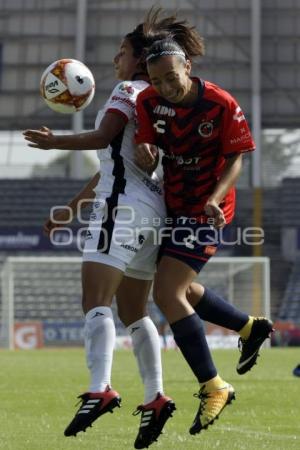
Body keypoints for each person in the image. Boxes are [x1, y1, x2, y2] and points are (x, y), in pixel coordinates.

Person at [24, 22, 177, 449]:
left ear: (140, 59)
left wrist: (56, 143)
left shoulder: (128, 91)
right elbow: (113, 158)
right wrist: (71, 207)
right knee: (135, 312)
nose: (115, 60)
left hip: (122, 206)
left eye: (121, 52)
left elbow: (103, 137)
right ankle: (156, 397)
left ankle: (100, 386)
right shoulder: (160, 100)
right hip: (153, 212)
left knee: (95, 302)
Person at [134, 11, 274, 435]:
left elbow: (236, 160)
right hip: (173, 206)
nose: (165, 88)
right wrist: (146, 152)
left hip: (210, 209)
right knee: (182, 289)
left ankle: (214, 386)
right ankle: (251, 327)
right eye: (156, 81)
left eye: (171, 78)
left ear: (187, 68)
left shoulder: (221, 103)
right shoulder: (147, 102)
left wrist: (214, 198)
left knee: (167, 291)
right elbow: (146, 143)